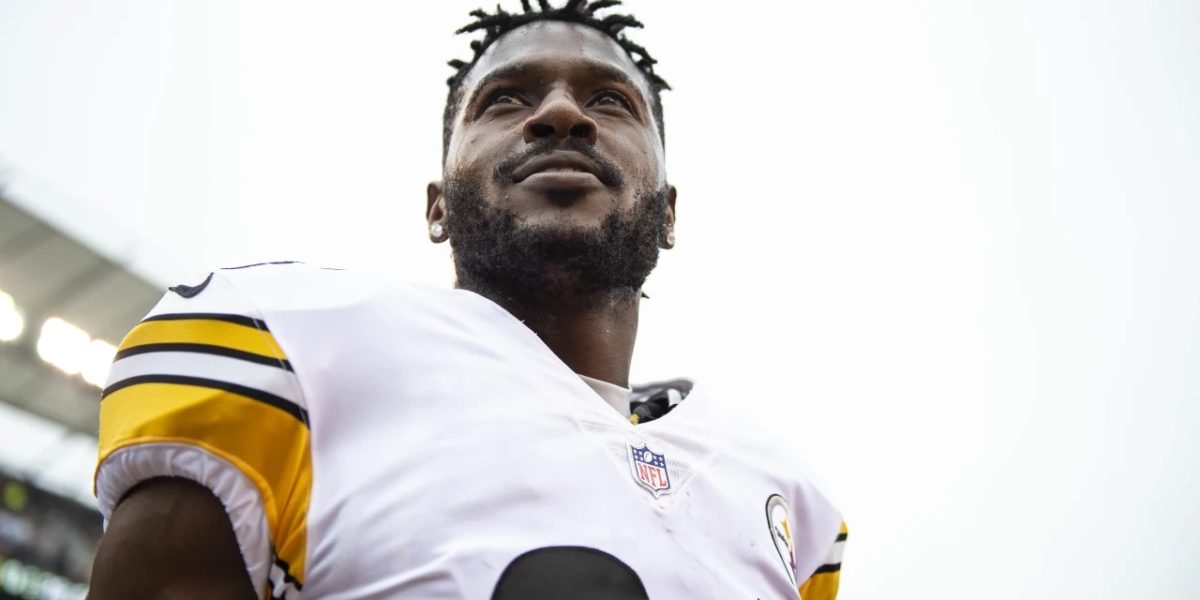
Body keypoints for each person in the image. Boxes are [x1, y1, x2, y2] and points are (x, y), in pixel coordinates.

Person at [88, 1, 846, 598]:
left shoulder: (789, 503)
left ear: (670, 212)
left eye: (611, 101)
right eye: (505, 99)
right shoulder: (286, 342)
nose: (560, 114)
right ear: (436, 207)